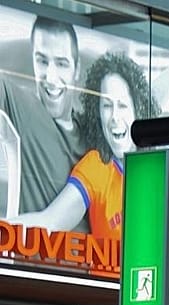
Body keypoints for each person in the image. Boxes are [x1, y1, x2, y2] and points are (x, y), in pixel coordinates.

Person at [19, 52, 155, 238]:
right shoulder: (97, 167)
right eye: (107, 106)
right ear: (97, 112)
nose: (115, 117)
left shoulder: (158, 166)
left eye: (122, 105)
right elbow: (49, 222)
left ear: (137, 109)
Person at [0, 18, 83, 221]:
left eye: (62, 64)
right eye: (42, 61)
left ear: (77, 69)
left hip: (99, 251)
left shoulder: (93, 130)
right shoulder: (18, 103)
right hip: (31, 249)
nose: (51, 77)